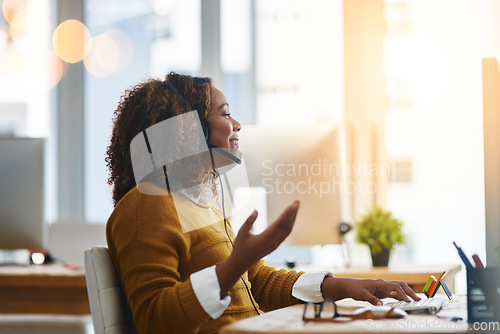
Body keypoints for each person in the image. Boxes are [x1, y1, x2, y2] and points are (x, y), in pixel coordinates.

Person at [105, 72, 420, 334]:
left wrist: (342, 287)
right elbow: (152, 319)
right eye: (226, 113)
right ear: (187, 130)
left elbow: (256, 281)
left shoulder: (202, 206)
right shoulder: (144, 206)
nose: (238, 125)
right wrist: (233, 265)